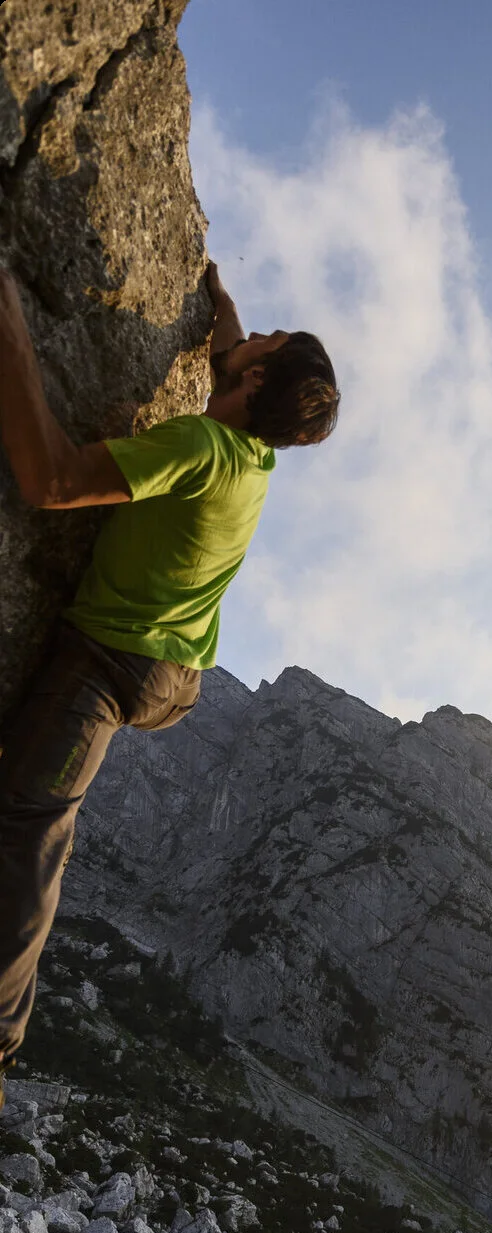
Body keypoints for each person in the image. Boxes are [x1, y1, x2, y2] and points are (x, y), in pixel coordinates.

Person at [0, 262, 339, 1092]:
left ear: (256, 376)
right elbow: (236, 346)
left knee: (28, 827)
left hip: (116, 663)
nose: (245, 333)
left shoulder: (200, 444)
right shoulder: (258, 456)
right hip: (176, 674)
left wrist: (9, 316)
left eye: (263, 339)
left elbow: (51, 481)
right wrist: (220, 303)